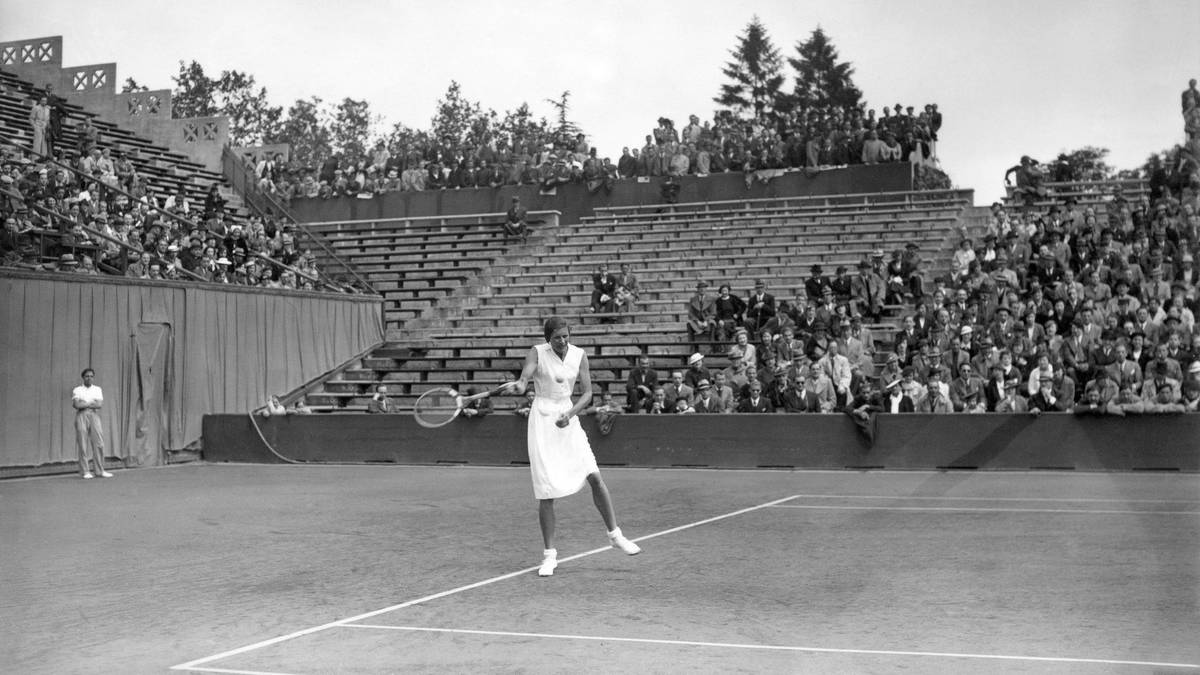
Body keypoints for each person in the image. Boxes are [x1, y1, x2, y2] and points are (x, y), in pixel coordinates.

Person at [504, 317, 640, 577]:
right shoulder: (536, 352)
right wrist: (522, 383)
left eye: (566, 336)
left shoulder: (579, 355)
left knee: (595, 476)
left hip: (569, 418)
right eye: (557, 337)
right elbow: (527, 373)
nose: (563, 341)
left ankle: (615, 535)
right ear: (548, 339)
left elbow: (587, 393)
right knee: (546, 492)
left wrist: (571, 414)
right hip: (543, 421)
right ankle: (549, 556)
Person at [72, 368, 112, 479]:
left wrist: (84, 403)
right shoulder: (77, 390)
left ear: (93, 377)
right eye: (87, 376)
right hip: (81, 415)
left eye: (91, 376)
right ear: (83, 377)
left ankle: (100, 471)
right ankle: (85, 471)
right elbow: (76, 405)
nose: (89, 378)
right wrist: (90, 403)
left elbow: (99, 405)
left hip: (94, 415)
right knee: (82, 444)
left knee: (99, 443)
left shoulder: (97, 389)